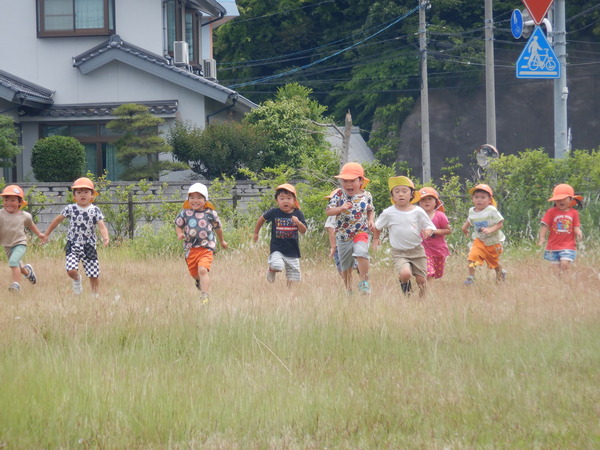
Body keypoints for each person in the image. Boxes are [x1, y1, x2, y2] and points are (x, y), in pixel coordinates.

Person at [43, 177, 110, 296]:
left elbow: (102, 226)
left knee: (93, 273)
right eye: (79, 192)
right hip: (72, 244)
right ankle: (77, 279)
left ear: (92, 195)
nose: (82, 195)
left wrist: (105, 237)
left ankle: (94, 295)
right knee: (71, 270)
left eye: (86, 192)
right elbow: (57, 220)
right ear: (74, 195)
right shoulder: (70, 208)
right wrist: (46, 234)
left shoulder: (95, 210)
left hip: (89, 245)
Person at [373, 176, 435, 296]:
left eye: (404, 191)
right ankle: (406, 289)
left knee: (422, 280)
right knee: (405, 274)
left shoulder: (418, 211)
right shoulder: (388, 212)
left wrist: (428, 231)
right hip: (399, 252)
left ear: (411, 194)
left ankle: (421, 302)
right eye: (397, 192)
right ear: (392, 196)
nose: (401, 194)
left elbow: (430, 226)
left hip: (417, 251)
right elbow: (377, 226)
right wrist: (376, 239)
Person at [326, 162, 375, 295]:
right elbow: (329, 211)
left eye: (352, 181)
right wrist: (341, 208)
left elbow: (371, 210)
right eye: (345, 181)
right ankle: (348, 290)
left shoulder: (367, 196)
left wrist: (371, 220)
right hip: (343, 236)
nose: (348, 185)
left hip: (361, 232)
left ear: (360, 181)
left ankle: (364, 282)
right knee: (346, 267)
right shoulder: (338, 195)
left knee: (361, 253)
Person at [175, 183, 228, 302]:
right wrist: (180, 234)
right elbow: (178, 225)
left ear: (205, 200)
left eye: (199, 197)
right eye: (192, 197)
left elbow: (218, 228)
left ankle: (205, 295)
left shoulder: (210, 214)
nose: (195, 200)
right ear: (188, 200)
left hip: (206, 247)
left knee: (203, 269)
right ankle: (198, 281)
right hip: (190, 249)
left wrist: (222, 241)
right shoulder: (185, 213)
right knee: (194, 273)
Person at [253, 183, 307, 286]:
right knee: (277, 266)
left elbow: (303, 231)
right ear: (277, 201)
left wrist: (298, 223)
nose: (285, 201)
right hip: (277, 248)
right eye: (282, 198)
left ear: (294, 200)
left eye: (289, 198)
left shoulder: (298, 213)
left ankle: (289, 295)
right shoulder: (274, 212)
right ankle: (271, 270)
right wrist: (256, 232)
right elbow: (262, 219)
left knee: (293, 278)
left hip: (293, 250)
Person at [0, 185, 44, 292]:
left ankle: (16, 285)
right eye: (6, 200)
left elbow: (31, 225)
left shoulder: (25, 216)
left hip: (20, 243)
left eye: (13, 200)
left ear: (20, 202)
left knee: (13, 262)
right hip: (7, 245)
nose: (9, 203)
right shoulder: (0, 214)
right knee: (18, 266)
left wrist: (39, 235)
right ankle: (28, 273)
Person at [461, 183, 506, 285]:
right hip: (479, 240)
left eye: (482, 197)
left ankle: (501, 273)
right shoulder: (472, 211)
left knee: (494, 262)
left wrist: (490, 229)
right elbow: (470, 220)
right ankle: (471, 277)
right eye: (476, 197)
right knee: (472, 256)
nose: (479, 200)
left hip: (493, 241)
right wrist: (464, 228)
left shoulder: (491, 210)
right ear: (472, 198)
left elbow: (500, 223)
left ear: (489, 199)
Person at [537, 183, 583, 276]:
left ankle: (566, 280)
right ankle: (560, 283)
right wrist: (542, 238)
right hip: (553, 246)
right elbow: (545, 226)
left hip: (568, 245)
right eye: (558, 199)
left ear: (571, 199)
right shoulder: (551, 212)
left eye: (563, 199)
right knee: (555, 270)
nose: (560, 201)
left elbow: (576, 227)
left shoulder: (574, 213)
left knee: (564, 263)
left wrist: (578, 232)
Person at [418, 187, 451, 280]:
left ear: (436, 201)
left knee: (438, 274)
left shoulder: (440, 216)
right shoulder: (417, 216)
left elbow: (448, 230)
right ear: (419, 203)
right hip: (424, 250)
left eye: (430, 199)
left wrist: (433, 231)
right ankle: (427, 292)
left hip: (439, 250)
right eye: (423, 199)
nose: (426, 202)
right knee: (429, 273)